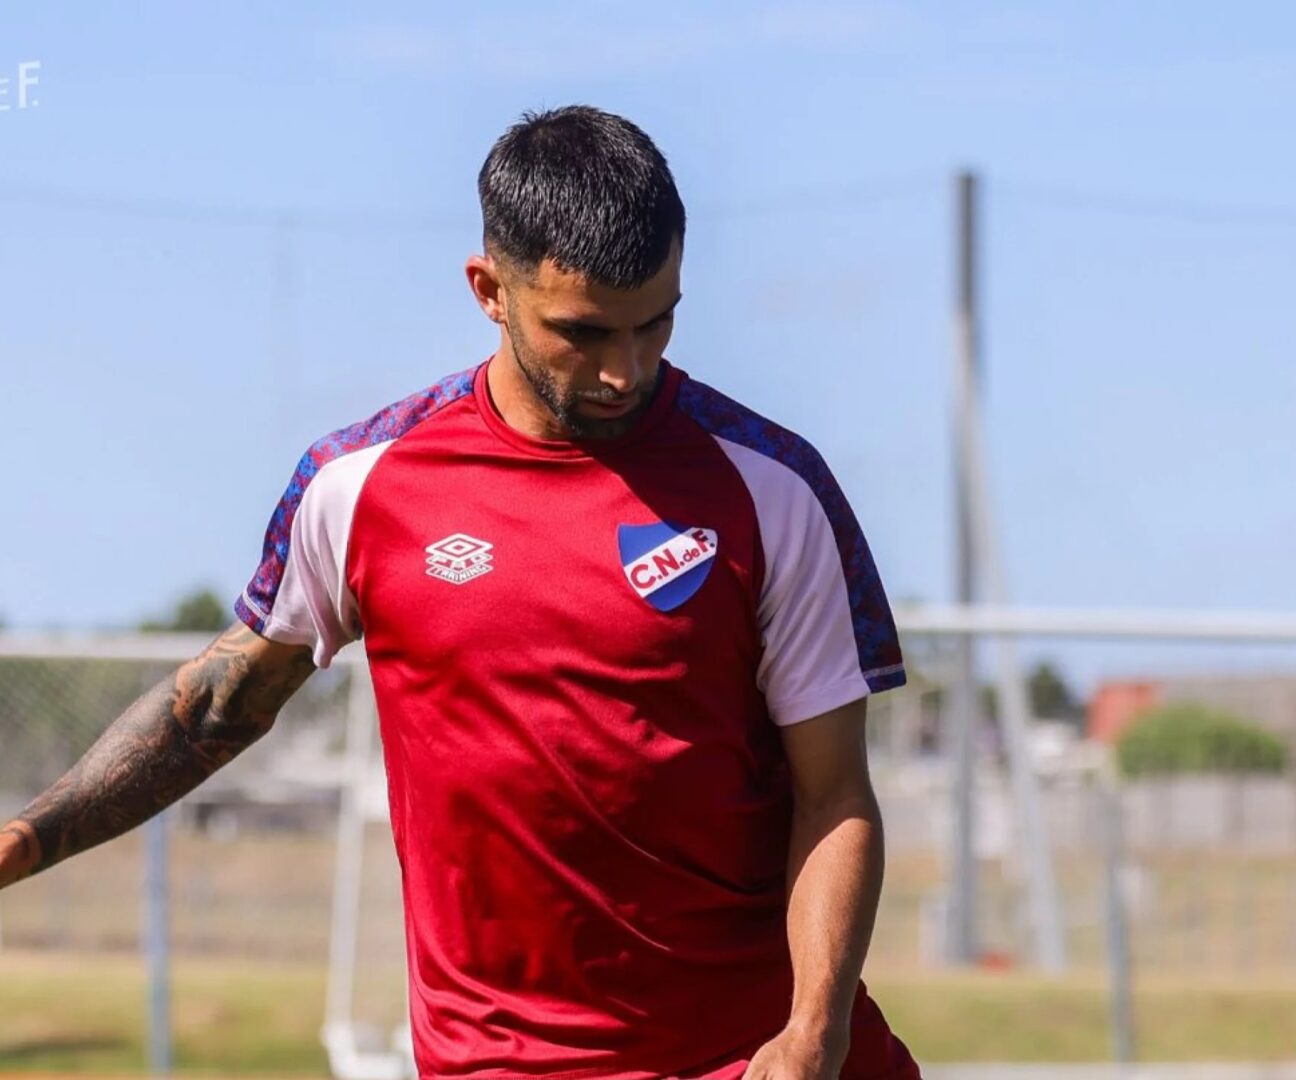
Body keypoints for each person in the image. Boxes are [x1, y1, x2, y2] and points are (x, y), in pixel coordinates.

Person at [0, 106, 920, 1080]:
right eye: (583, 332)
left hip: (758, 1055)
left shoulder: (771, 487)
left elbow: (834, 794)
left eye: (656, 322)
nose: (626, 370)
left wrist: (813, 1030)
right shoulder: (360, 484)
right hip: (500, 1061)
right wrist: (22, 843)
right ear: (489, 290)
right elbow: (213, 710)